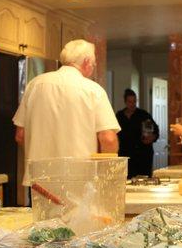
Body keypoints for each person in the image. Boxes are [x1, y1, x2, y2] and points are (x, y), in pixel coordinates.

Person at [13, 39, 120, 186]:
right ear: (87, 62)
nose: (93, 68)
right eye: (94, 65)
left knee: (43, 210)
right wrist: (106, 175)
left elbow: (21, 135)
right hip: (80, 179)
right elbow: (108, 139)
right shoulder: (93, 90)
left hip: (40, 181)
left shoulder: (35, 85)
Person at [116, 88, 159, 178]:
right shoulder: (119, 116)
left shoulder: (143, 115)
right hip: (125, 154)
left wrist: (151, 138)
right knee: (125, 179)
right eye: (130, 102)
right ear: (125, 101)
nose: (132, 104)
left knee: (144, 179)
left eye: (134, 101)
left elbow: (155, 131)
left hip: (142, 155)